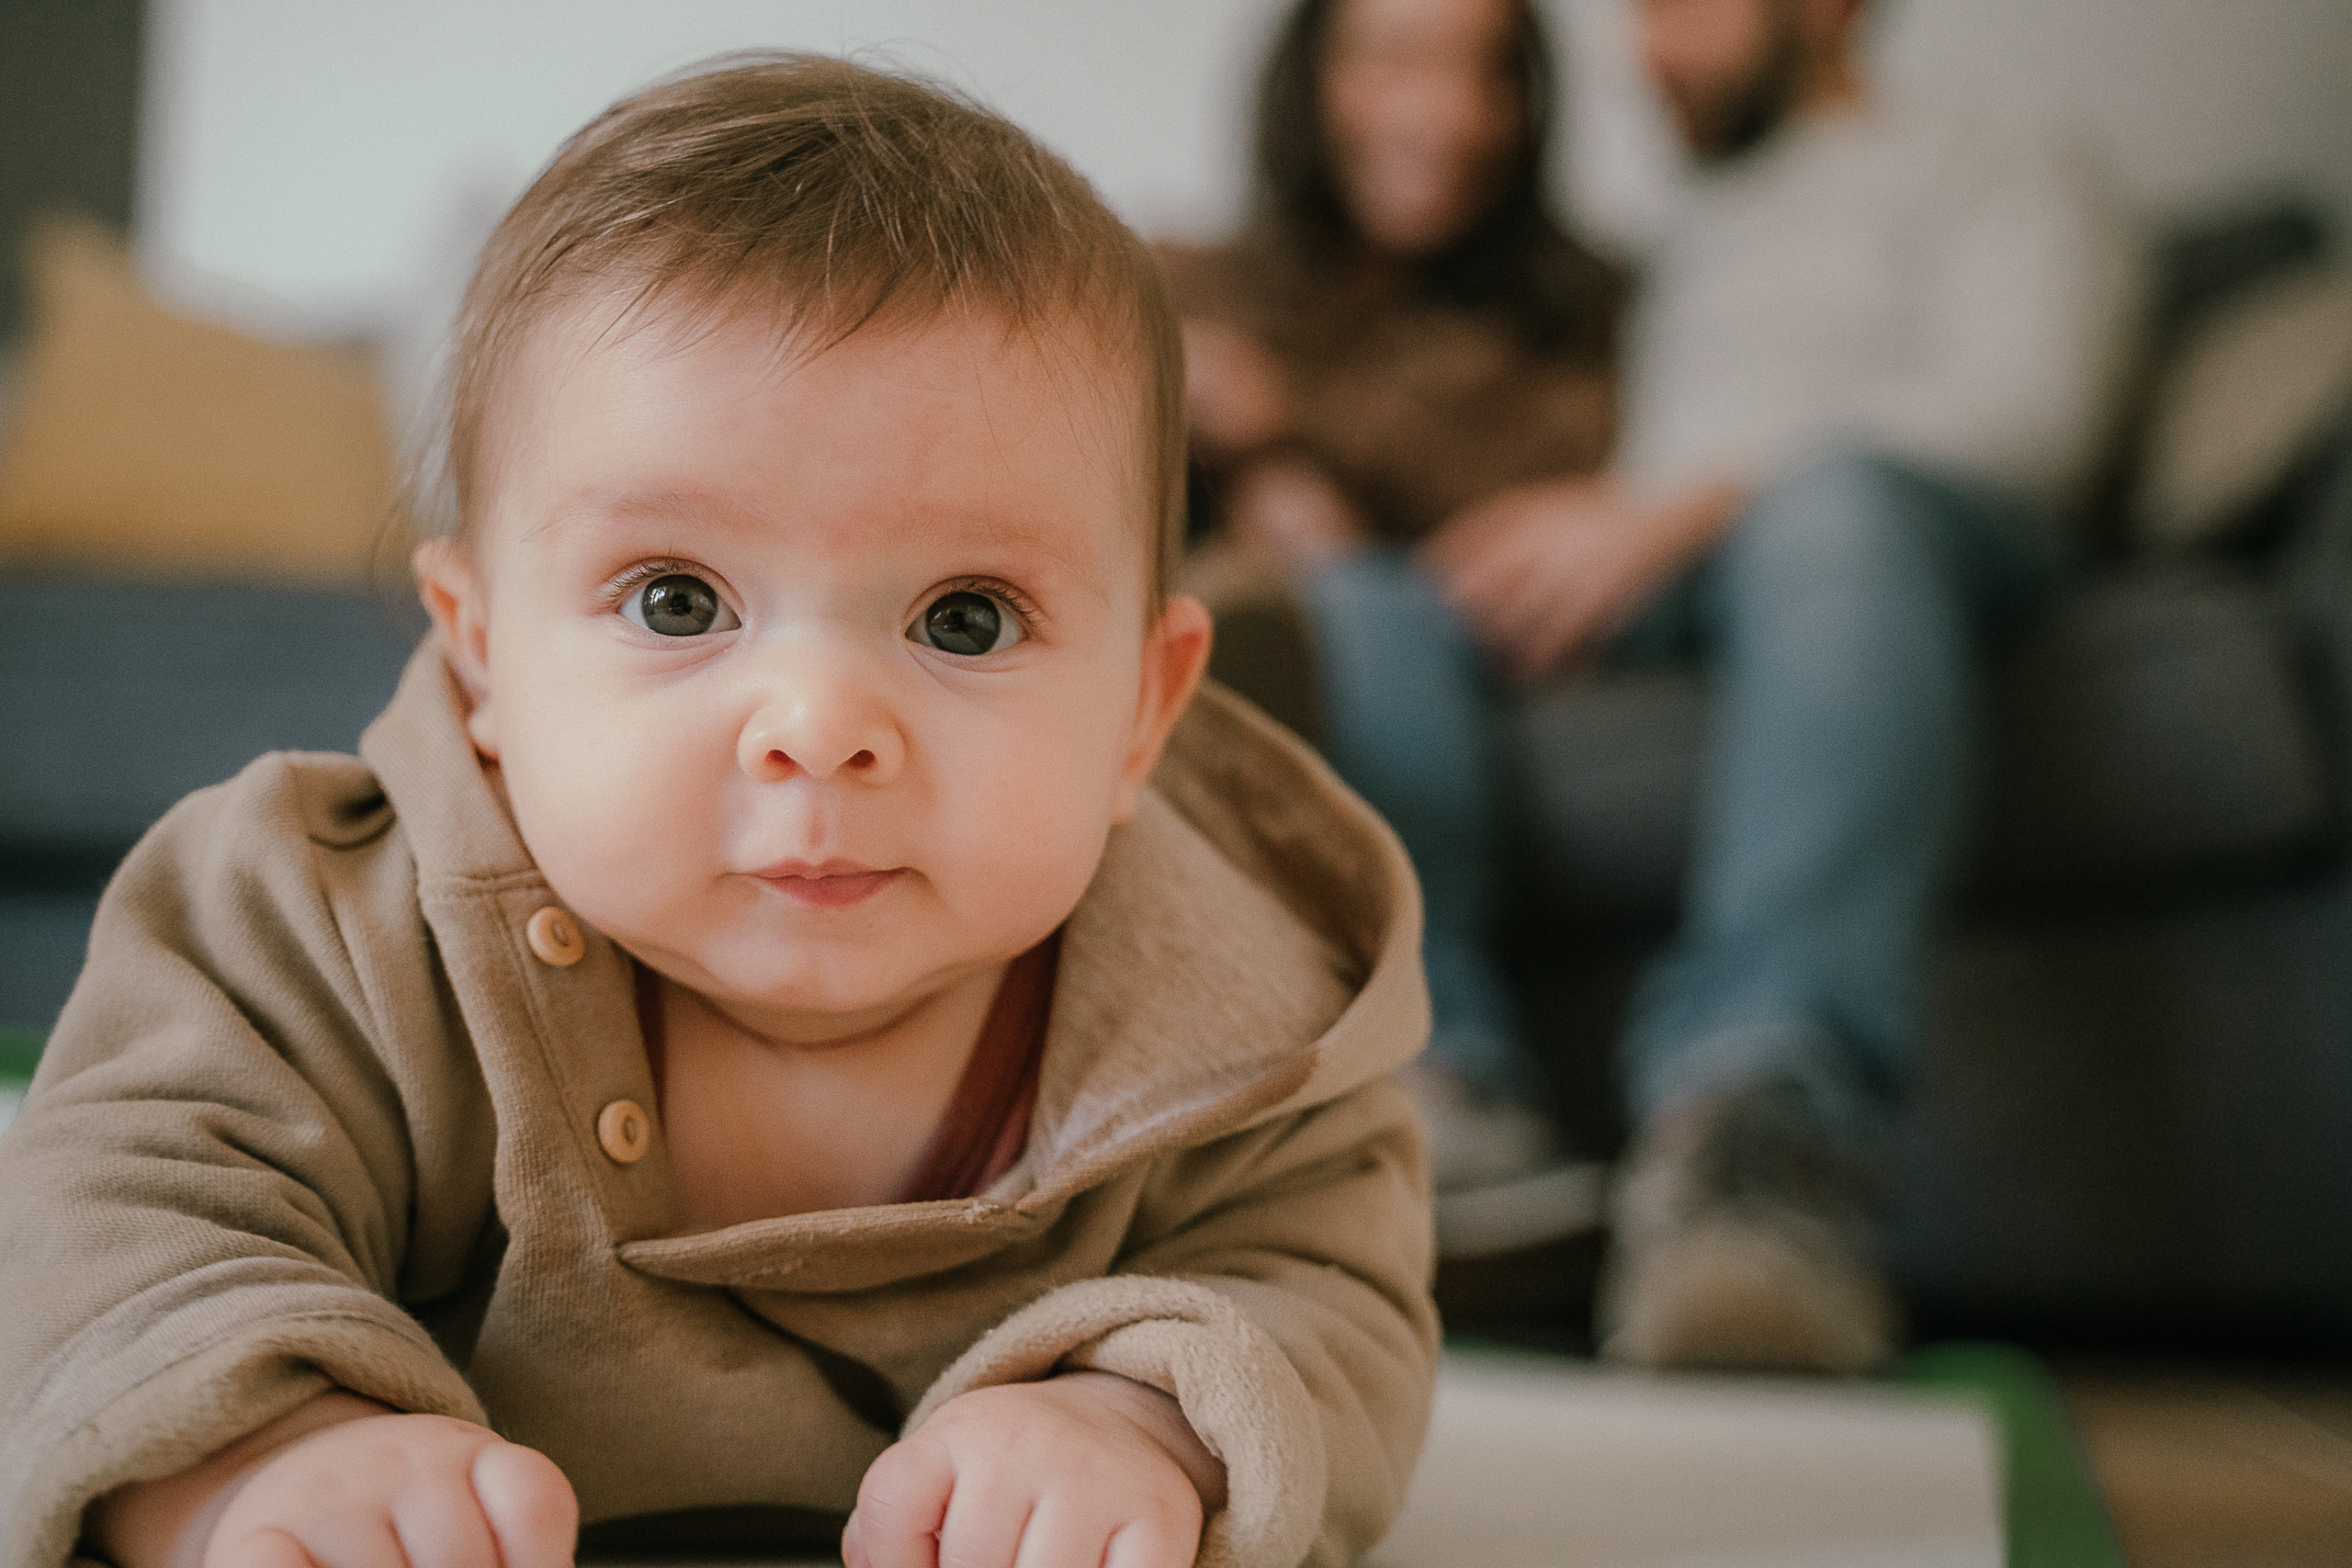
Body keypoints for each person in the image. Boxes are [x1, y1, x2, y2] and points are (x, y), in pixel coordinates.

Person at [0, 57, 1440, 1568]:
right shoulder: (314, 929)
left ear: (1147, 709)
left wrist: (1139, 1423)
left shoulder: (1244, 1026)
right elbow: (115, 1220)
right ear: (481, 656)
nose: (818, 729)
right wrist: (254, 1457)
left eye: (963, 620)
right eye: (678, 599)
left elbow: (1327, 1302)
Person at [1419, 0, 2137, 1371]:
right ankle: (1440, 1101)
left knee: (1831, 509)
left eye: (1682, 8)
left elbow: (2030, 419)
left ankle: (1763, 1140)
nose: (1646, 52)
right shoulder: (1693, 228)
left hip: (1904, 538)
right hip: (1692, 571)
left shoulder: (2001, 155)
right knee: (1382, 604)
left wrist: (1676, 512)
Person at [1163, 0, 1623, 1249]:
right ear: (1316, 81)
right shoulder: (1190, 278)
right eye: (1405, 62)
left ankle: (1445, 1065)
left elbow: (1523, 494)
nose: (1455, 116)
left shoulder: (1576, 313)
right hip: (1208, 608)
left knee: (1365, 593)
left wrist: (1277, 427)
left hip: (1429, 642)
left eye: (1492, 77)